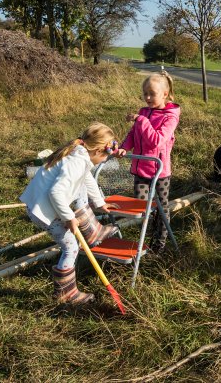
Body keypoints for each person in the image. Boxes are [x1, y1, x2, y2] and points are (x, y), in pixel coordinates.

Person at [20, 123, 120, 305]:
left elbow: (86, 179)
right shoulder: (76, 162)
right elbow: (55, 193)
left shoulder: (80, 154)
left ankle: (92, 230)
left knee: (80, 186)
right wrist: (69, 218)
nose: (105, 159)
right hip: (44, 212)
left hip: (50, 206)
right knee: (71, 247)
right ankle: (66, 293)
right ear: (98, 150)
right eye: (106, 155)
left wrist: (99, 203)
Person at [116, 71, 180, 253]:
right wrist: (124, 147)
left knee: (161, 207)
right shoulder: (144, 111)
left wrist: (142, 120)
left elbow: (156, 140)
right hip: (140, 168)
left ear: (165, 94)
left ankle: (159, 243)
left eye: (152, 93)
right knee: (142, 205)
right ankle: (148, 235)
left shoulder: (170, 117)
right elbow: (133, 134)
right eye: (145, 93)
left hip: (159, 173)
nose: (148, 97)